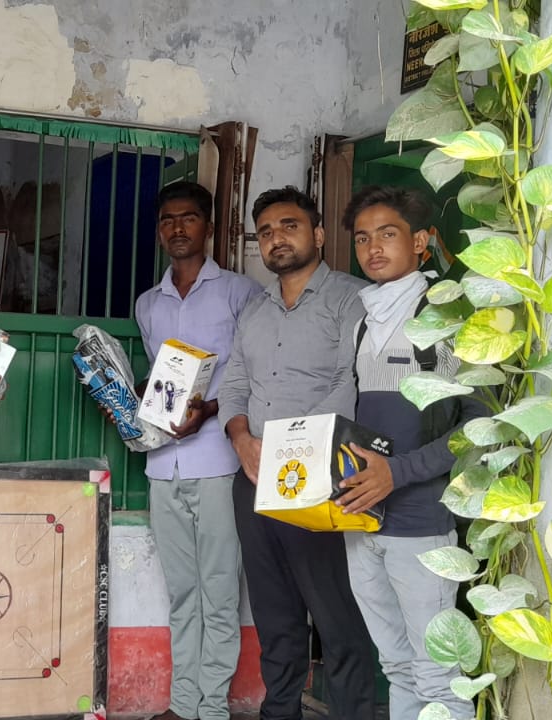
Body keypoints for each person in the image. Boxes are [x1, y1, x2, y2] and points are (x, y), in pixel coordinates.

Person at [216, 186, 378, 720]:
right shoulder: (255, 309)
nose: (276, 239)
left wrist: (296, 449)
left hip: (321, 475)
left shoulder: (352, 300)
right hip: (254, 477)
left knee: (336, 615)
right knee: (274, 614)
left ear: (319, 234)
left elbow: (348, 380)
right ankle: (279, 711)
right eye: (265, 232)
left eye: (289, 226)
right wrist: (241, 440)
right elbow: (235, 384)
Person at [335, 186, 486, 720]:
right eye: (362, 238)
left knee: (438, 675)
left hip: (423, 524)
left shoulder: (448, 317)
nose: (373, 248)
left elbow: (479, 425)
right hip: (362, 521)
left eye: (388, 234)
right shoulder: (361, 322)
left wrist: (396, 474)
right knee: (397, 665)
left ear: (420, 242)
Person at [132, 181, 261, 720]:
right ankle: (184, 705)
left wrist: (208, 411)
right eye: (167, 219)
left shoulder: (240, 293)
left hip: (218, 463)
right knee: (183, 592)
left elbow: (250, 374)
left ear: (208, 226)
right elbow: (161, 380)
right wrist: (132, 400)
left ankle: (211, 708)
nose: (177, 228)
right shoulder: (148, 304)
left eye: (188, 218)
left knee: (220, 590)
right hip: (163, 464)